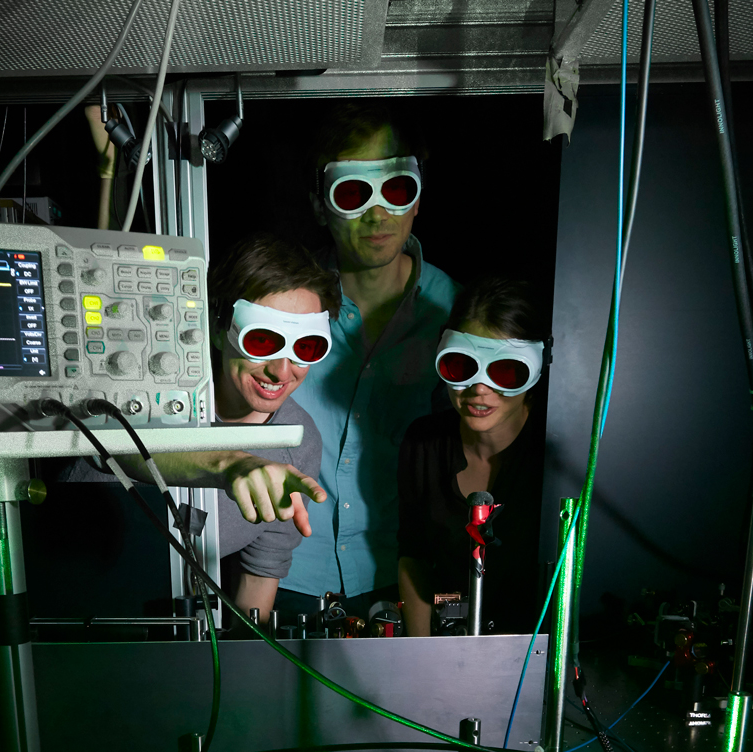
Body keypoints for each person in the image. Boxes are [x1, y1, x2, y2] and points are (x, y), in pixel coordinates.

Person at [56, 233, 335, 618]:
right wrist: (229, 464)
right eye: (262, 341)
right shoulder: (154, 394)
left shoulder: (298, 441)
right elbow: (117, 447)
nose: (282, 370)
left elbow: (261, 575)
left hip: (167, 624)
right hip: (69, 580)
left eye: (305, 348)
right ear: (219, 328)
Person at [275, 102, 459, 619]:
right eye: (353, 193)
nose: (378, 215)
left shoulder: (457, 315)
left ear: (417, 200)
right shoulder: (281, 306)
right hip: (286, 573)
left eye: (396, 190)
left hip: (402, 579)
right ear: (320, 204)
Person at [397, 278, 550, 637]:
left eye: (506, 371)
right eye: (461, 366)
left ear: (537, 370)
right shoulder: (423, 444)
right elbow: (413, 554)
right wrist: (423, 658)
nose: (479, 389)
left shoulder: (554, 454)